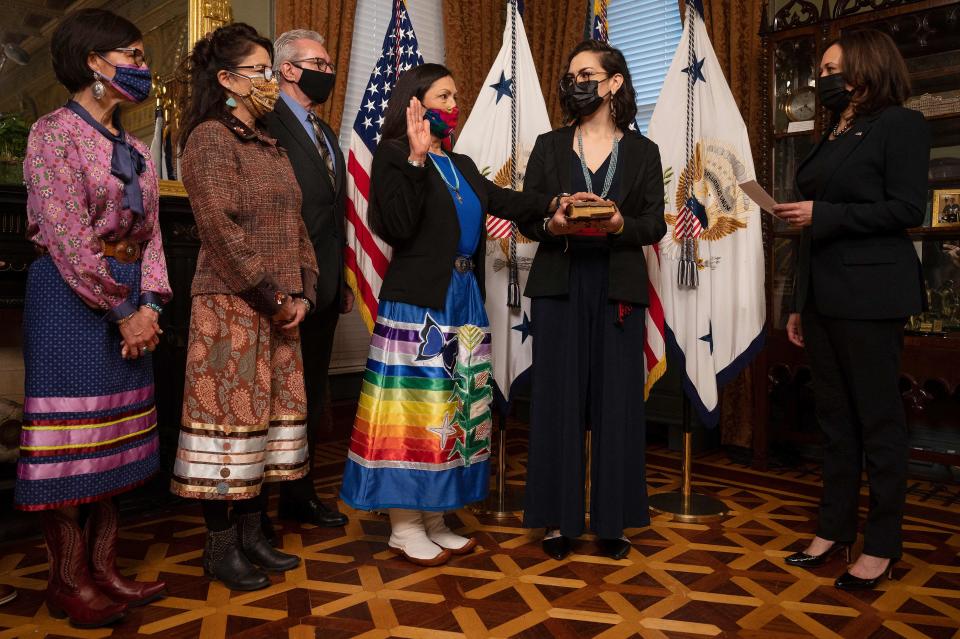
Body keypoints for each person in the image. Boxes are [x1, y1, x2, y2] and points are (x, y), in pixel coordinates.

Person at [338, 63, 587, 566]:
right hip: (419, 303)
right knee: (414, 412)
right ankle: (404, 525)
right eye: (444, 96)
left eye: (456, 96)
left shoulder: (462, 164)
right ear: (416, 102)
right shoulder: (392, 157)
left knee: (455, 410)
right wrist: (412, 156)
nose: (455, 105)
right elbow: (398, 226)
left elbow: (509, 201)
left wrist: (557, 202)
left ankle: (435, 516)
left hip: (463, 298)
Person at [17, 8, 169, 628]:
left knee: (110, 445)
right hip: (71, 301)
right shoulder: (53, 134)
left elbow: (153, 235)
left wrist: (152, 304)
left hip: (131, 299)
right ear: (93, 63)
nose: (142, 66)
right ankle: (67, 582)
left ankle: (104, 570)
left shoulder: (133, 147)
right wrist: (125, 310)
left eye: (141, 55)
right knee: (72, 448)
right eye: (131, 56)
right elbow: (67, 236)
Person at [775, 29, 929, 591]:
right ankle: (834, 530)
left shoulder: (901, 125)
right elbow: (811, 224)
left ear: (865, 67)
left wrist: (826, 214)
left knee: (878, 423)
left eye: (831, 67)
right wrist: (798, 301)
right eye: (820, 69)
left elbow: (907, 208)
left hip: (871, 298)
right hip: (822, 296)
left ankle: (883, 545)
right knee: (835, 423)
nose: (822, 77)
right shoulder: (832, 131)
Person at [170, 22, 317, 591]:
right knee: (227, 427)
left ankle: (254, 534)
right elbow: (219, 227)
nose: (269, 79)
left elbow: (296, 224)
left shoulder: (271, 143)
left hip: (280, 306)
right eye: (259, 69)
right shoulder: (211, 138)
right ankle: (220, 546)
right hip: (232, 303)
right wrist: (270, 294)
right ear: (228, 80)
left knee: (267, 425)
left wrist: (301, 290)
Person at [519, 40, 667, 562]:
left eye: (586, 74)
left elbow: (656, 221)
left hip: (617, 288)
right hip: (560, 283)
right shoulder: (548, 145)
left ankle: (612, 521)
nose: (575, 82)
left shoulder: (644, 152)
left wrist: (622, 222)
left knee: (617, 405)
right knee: (558, 402)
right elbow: (528, 213)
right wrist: (550, 222)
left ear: (614, 83)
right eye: (571, 75)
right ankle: (559, 521)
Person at [263, 29, 349, 533]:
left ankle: (300, 493)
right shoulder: (267, 124)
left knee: (311, 397)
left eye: (331, 61)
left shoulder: (325, 131)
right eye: (319, 62)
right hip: (282, 286)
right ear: (289, 69)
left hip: (325, 286)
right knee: (275, 398)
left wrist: (338, 281)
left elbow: (331, 213)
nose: (329, 71)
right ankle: (257, 509)